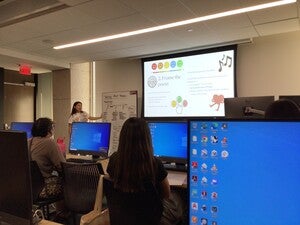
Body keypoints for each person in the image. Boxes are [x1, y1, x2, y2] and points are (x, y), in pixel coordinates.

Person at [107, 117, 183, 225]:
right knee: (179, 197)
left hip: (123, 214)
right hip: (150, 218)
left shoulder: (114, 160)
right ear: (147, 138)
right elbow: (166, 194)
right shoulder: (155, 164)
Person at [28, 117, 66, 199]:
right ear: (49, 130)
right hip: (42, 188)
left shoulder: (28, 141)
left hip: (29, 187)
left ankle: (60, 211)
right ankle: (63, 211)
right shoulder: (49, 142)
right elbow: (62, 167)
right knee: (69, 182)